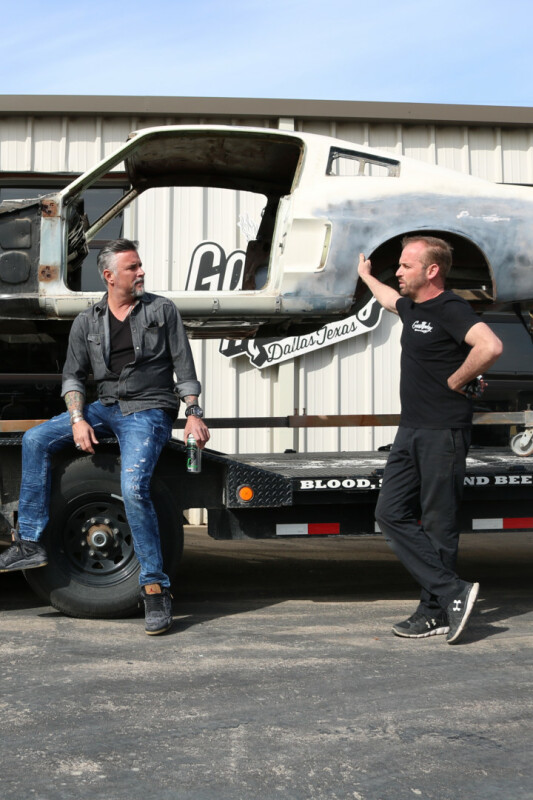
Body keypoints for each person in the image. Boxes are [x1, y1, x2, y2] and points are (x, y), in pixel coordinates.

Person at [0, 238, 209, 636]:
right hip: (105, 407)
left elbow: (184, 369)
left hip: (148, 410)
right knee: (35, 440)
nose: (141, 272)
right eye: (133, 267)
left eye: (140, 265)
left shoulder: (162, 310)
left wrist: (193, 414)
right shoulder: (87, 321)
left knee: (133, 488)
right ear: (110, 276)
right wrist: (78, 418)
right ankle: (30, 543)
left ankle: (155, 589)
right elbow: (73, 376)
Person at [358, 236, 502, 644]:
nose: (398, 272)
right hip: (411, 429)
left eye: (406, 265)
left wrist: (458, 379)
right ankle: (452, 591)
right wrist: (366, 277)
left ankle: (434, 610)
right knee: (390, 512)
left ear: (432, 270)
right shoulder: (413, 308)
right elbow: (388, 299)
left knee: (439, 524)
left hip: (443, 431)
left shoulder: (451, 307)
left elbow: (490, 346)